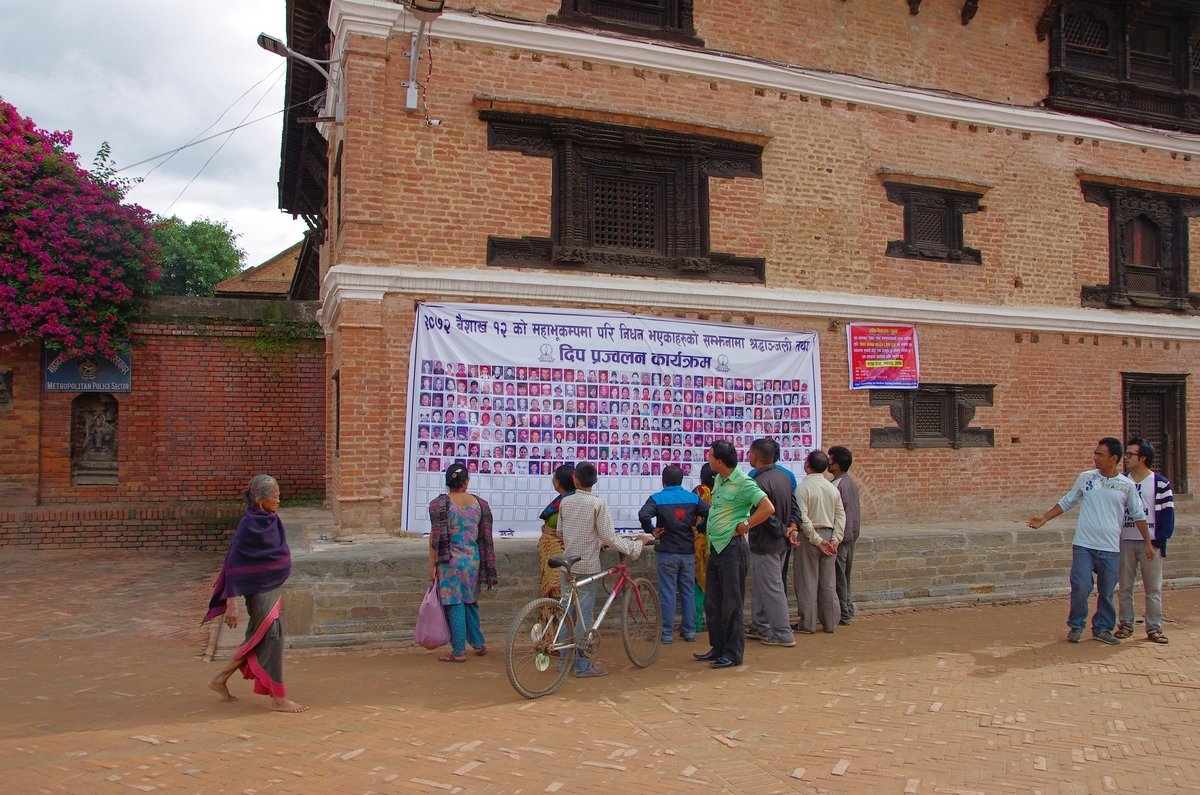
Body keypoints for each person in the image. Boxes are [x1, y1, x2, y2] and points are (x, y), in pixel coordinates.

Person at [1028, 437, 1152, 644]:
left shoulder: (1126, 485)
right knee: (1080, 585)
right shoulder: (1086, 478)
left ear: (1113, 458)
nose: (1095, 458)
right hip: (1084, 545)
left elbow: (1138, 515)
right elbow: (1068, 501)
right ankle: (1076, 625)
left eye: (1099, 454)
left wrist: (1147, 543)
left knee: (1106, 591)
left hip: (1110, 548)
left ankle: (1102, 628)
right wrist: (1044, 518)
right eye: (1095, 453)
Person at [203, 474, 307, 712]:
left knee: (265, 636)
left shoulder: (270, 519)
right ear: (261, 501)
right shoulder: (249, 525)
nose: (278, 500)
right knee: (271, 636)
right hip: (258, 591)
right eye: (275, 497)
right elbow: (234, 562)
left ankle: (220, 679)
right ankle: (278, 698)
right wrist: (231, 602)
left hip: (271, 586)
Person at [558, 461, 654, 678]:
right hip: (587, 566)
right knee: (584, 617)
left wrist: (591, 541)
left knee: (566, 613)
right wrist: (636, 545)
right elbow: (609, 537)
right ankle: (582, 666)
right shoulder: (597, 504)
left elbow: (561, 532)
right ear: (596, 481)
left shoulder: (565, 502)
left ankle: (563, 662)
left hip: (568, 566)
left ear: (574, 479)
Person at [694, 440, 775, 670]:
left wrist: (746, 524)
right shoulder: (719, 479)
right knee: (713, 602)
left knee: (732, 603)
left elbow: (768, 508)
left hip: (733, 548)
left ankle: (733, 653)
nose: (708, 459)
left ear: (720, 461)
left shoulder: (744, 483)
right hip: (716, 547)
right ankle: (718, 647)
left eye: (710, 456)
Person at [427, 463, 498, 662]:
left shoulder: (439, 505)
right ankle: (478, 642)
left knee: (454, 604)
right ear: (466, 482)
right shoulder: (479, 504)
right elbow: (483, 536)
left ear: (448, 482)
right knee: (471, 601)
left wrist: (432, 566)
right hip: (472, 560)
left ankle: (458, 651)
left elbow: (434, 539)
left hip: (449, 562)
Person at [638, 464, 709, 644]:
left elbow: (643, 514)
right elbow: (711, 512)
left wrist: (651, 530)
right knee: (688, 591)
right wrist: (699, 528)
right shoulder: (692, 498)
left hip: (667, 552)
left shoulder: (657, 498)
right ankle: (690, 631)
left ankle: (667, 634)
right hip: (687, 552)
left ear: (663, 482)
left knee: (667, 593)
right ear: (681, 480)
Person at [1115, 437, 1175, 644]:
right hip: (1126, 541)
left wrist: (1159, 541)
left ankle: (1154, 628)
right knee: (1124, 587)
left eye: (1130, 454)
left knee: (1153, 588)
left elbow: (1168, 515)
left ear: (1142, 458)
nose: (1126, 458)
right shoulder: (1121, 480)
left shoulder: (1160, 483)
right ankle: (1125, 624)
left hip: (1152, 543)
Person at [746, 439, 801, 648]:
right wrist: (792, 527)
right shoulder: (784, 477)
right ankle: (761, 625)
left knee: (773, 588)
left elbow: (766, 515)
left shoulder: (757, 483)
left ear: (756, 456)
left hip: (768, 541)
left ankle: (783, 634)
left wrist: (782, 530)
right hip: (780, 541)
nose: (748, 456)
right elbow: (794, 507)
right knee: (764, 585)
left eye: (750, 453)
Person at [790, 450, 844, 634]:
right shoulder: (832, 488)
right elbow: (840, 516)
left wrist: (816, 539)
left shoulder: (803, 488)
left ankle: (808, 623)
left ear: (807, 465)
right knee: (828, 582)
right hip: (829, 536)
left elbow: (803, 518)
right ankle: (830, 622)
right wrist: (835, 539)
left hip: (810, 537)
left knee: (807, 582)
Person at [828, 446, 862, 626]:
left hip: (841, 538)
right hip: (851, 536)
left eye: (830, 460)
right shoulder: (851, 483)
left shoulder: (837, 485)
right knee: (845, 576)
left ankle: (844, 612)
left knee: (840, 578)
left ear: (836, 465)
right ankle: (847, 607)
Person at [537, 464, 576, 602]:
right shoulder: (562, 499)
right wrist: (545, 528)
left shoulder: (570, 501)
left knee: (558, 590)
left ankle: (564, 622)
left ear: (558, 482)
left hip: (560, 551)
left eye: (553, 477)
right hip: (552, 551)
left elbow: (576, 527)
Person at [691, 463, 715, 632]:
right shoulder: (722, 492)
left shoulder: (699, 492)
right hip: (718, 542)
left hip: (699, 543)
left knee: (698, 584)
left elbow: (691, 517)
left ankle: (696, 623)